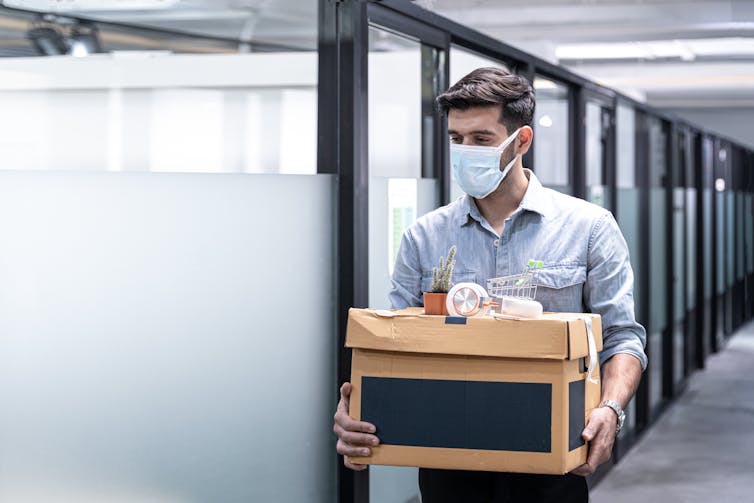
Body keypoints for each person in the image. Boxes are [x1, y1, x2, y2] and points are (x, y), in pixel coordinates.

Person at [333, 67, 647, 502]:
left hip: (550, 459)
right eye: (456, 139)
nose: (465, 151)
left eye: (481, 139)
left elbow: (622, 338)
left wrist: (611, 410)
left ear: (521, 141)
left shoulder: (588, 227)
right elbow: (392, 346)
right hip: (448, 461)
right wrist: (355, 409)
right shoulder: (424, 237)